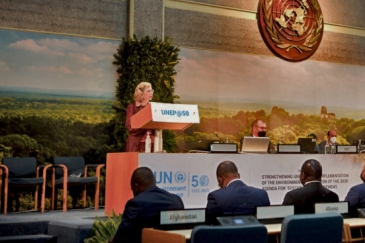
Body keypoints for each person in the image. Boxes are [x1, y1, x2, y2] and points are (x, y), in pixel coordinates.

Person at [111, 167, 184, 243]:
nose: (133, 194)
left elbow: (121, 237)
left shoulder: (135, 204)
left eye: (132, 189)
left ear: (136, 186)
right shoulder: (176, 200)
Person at [206, 161, 270, 224]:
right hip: (256, 234)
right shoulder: (262, 194)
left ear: (219, 180)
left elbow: (208, 226)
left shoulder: (216, 197)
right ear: (239, 175)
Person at [125, 82, 155, 152]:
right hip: (135, 143)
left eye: (151, 90)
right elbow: (129, 126)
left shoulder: (153, 107)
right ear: (141, 93)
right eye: (148, 91)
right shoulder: (132, 107)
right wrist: (146, 126)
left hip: (150, 143)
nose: (151, 93)